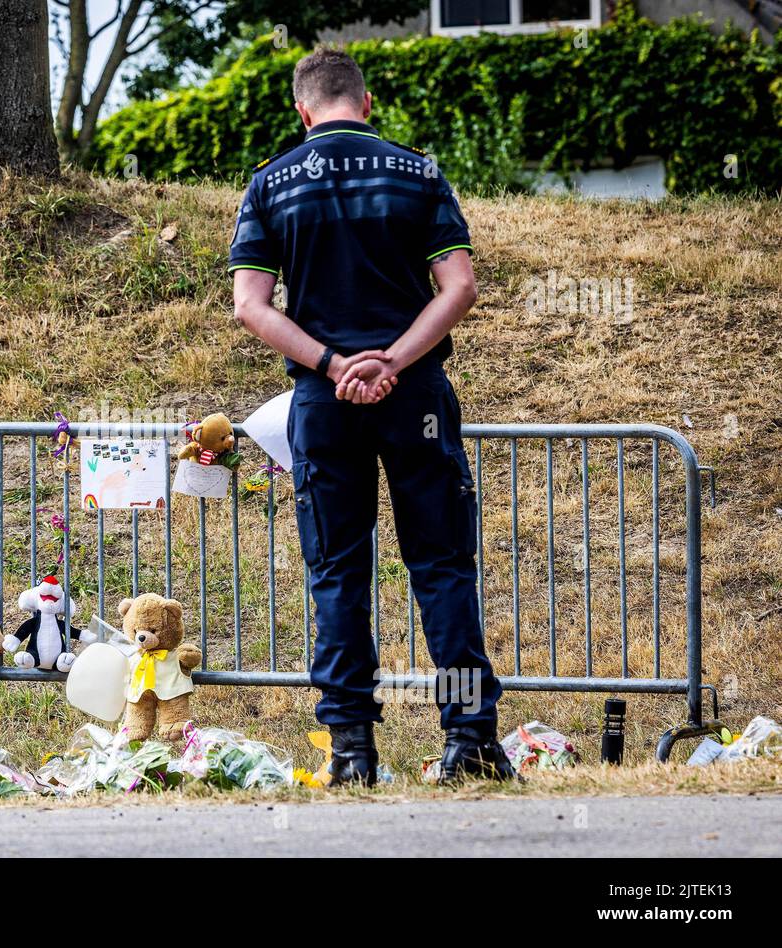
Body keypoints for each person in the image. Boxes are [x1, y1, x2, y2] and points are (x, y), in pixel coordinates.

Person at [230, 48, 512, 785]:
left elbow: (250, 306)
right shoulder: (418, 172)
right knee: (443, 567)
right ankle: (469, 740)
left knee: (338, 574)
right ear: (367, 101)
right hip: (412, 393)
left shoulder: (269, 184)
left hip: (323, 405)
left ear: (302, 110)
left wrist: (330, 365)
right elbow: (459, 287)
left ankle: (352, 751)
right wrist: (393, 361)